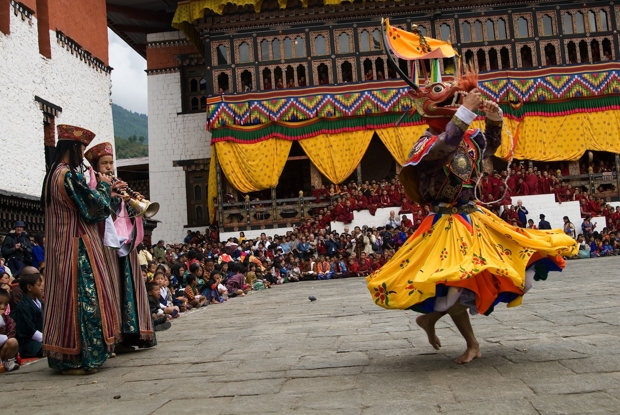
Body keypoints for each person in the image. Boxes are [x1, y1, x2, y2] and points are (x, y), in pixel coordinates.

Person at [366, 56, 577, 364]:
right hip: (443, 223)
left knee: (478, 274)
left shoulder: (468, 139)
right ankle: (466, 340)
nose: (455, 100)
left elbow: (489, 145)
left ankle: (437, 324)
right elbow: (444, 147)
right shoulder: (425, 144)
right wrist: (465, 112)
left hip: (473, 217)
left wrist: (493, 118)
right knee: (454, 280)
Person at [40, 124, 121, 375]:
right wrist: (105, 187)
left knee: (64, 300)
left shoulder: (52, 175)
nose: (83, 156)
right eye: (82, 149)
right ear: (74, 147)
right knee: (84, 299)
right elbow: (94, 207)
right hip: (78, 246)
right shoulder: (67, 175)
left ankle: (67, 357)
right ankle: (81, 358)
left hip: (61, 246)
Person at [84, 142, 155, 351]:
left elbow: (124, 217)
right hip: (107, 247)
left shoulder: (117, 184)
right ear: (95, 167)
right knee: (114, 288)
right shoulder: (92, 186)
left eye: (111, 163)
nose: (109, 167)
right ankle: (117, 337)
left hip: (124, 245)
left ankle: (134, 333)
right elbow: (97, 213)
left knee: (129, 286)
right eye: (104, 163)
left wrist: (133, 202)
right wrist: (110, 195)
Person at [11, 269, 44, 358]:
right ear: (29, 287)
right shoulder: (22, 307)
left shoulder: (41, 303)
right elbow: (30, 331)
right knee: (48, 348)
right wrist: (47, 339)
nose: (42, 288)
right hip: (29, 342)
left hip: (43, 337)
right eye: (39, 285)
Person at [0, 288, 19, 372]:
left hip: (2, 351)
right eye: (0, 303)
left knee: (13, 342)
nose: (2, 307)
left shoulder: (9, 320)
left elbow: (11, 335)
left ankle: (7, 362)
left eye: (5, 304)